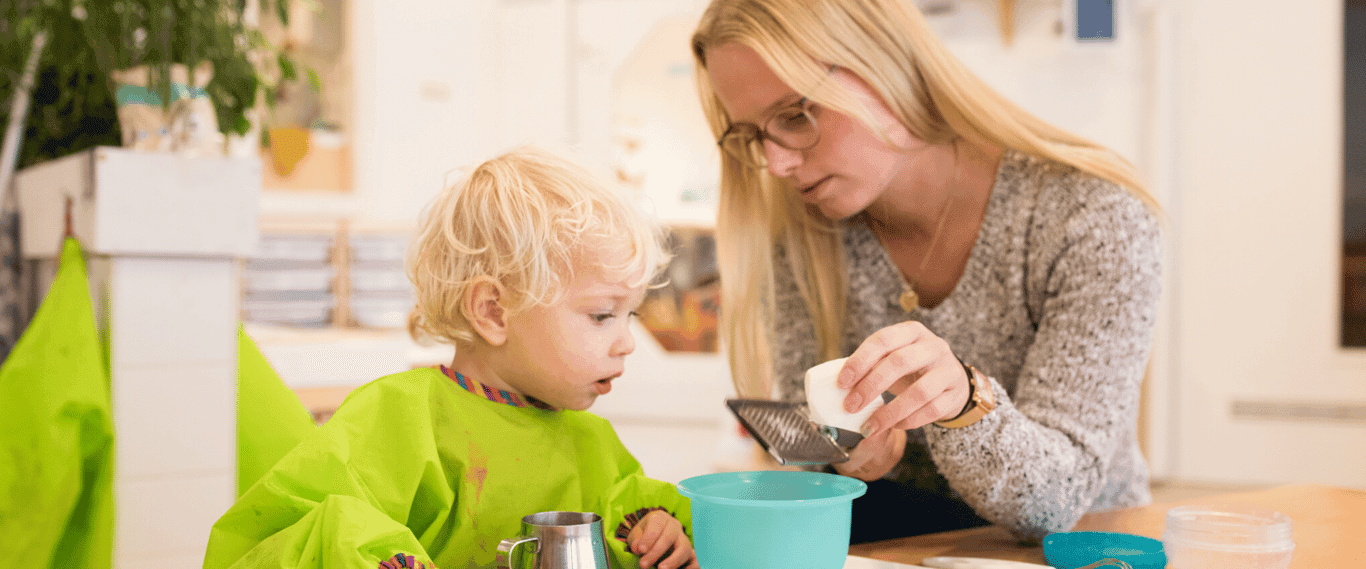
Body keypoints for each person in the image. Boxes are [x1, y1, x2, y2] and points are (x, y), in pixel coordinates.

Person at [690, 0, 1163, 544]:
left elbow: (1056, 500)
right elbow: (816, 452)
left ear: (886, 66)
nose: (777, 164)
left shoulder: (1092, 216)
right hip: (899, 548)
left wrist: (965, 402)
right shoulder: (801, 229)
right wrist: (849, 458)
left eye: (795, 116)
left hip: (1078, 547)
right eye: (751, 137)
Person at [204, 147, 699, 569]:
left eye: (629, 316)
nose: (627, 342)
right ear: (494, 311)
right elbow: (299, 534)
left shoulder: (590, 442)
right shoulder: (398, 420)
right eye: (601, 315)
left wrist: (658, 532)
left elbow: (624, 514)